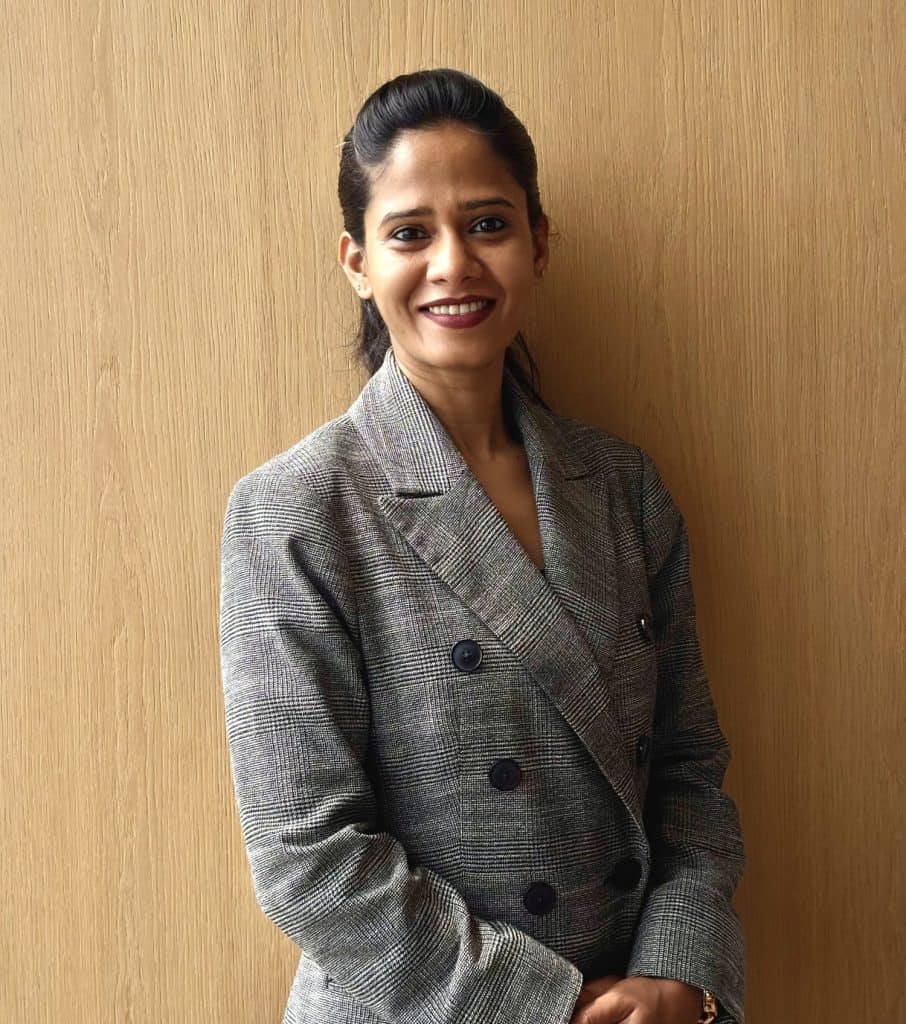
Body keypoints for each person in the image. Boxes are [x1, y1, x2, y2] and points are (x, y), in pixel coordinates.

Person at [219, 68, 746, 1024]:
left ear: (539, 244)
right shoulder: (297, 510)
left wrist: (679, 970)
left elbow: (688, 766)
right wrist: (546, 1006)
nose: (453, 263)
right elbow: (308, 856)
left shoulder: (621, 487)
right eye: (410, 233)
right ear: (357, 262)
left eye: (488, 224)